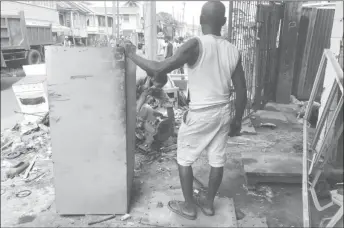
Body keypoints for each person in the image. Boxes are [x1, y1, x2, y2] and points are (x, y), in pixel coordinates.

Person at [122, 1, 247, 220]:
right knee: (217, 159)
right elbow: (243, 92)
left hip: (201, 113)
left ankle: (189, 207)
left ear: (200, 20)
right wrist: (236, 121)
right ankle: (208, 205)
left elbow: (159, 68)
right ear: (224, 22)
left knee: (184, 158)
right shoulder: (233, 50)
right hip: (223, 111)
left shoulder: (194, 45)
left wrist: (131, 54)